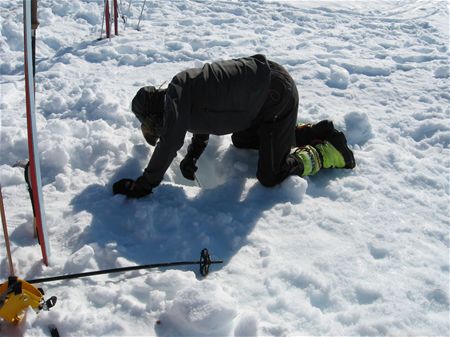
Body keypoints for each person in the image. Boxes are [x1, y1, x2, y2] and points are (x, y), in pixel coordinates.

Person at [113, 54, 355, 198]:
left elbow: (171, 140)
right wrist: (193, 155)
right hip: (266, 91)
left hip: (275, 99)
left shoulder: (175, 96)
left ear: (154, 115)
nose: (157, 130)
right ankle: (314, 133)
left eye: (152, 126)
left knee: (271, 175)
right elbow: (203, 116)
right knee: (241, 140)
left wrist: (144, 185)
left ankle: (328, 151)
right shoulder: (183, 89)